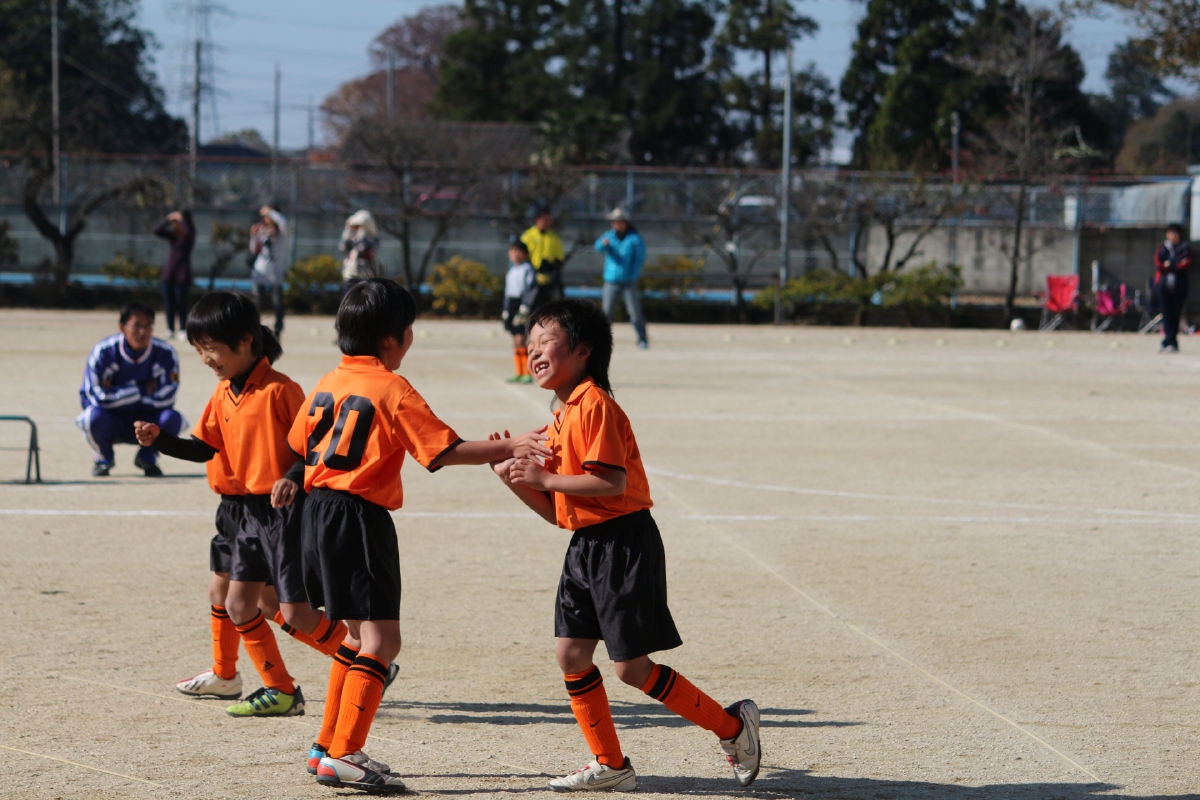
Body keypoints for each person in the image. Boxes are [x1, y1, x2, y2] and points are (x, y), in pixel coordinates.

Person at [488, 299, 760, 792]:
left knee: (631, 668)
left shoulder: (595, 405)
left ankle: (733, 727)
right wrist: (515, 481)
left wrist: (544, 476)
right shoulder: (562, 415)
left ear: (583, 350)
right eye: (531, 345)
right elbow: (557, 513)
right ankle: (610, 764)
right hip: (586, 547)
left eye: (546, 342)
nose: (534, 352)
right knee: (571, 654)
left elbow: (611, 482)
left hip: (623, 543)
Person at [289, 278, 548, 792]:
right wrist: (509, 446)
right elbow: (442, 451)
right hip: (359, 517)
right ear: (393, 338)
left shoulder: (328, 381)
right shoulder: (391, 387)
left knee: (357, 637)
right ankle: (343, 753)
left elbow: (300, 442)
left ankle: (326, 747)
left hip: (316, 512)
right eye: (409, 331)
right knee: (383, 640)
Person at [136, 292, 388, 717]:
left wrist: (292, 477)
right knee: (237, 602)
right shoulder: (223, 393)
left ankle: (369, 662)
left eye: (211, 348)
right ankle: (278, 689)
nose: (206, 359)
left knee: (293, 612)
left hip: (281, 514)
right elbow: (203, 448)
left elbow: (315, 445)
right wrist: (160, 440)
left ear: (245, 340)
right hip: (244, 513)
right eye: (199, 350)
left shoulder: (281, 390)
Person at [76, 301, 184, 478]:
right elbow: (94, 396)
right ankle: (103, 458)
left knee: (173, 418)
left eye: (148, 326)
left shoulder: (166, 353)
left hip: (147, 422)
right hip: (112, 420)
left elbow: (168, 396)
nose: (143, 332)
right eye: (137, 326)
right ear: (122, 327)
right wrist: (142, 389)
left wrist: (116, 392)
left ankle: (147, 457)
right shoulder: (103, 352)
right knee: (92, 417)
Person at [596, 208, 649, 349]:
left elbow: (639, 259)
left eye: (618, 221)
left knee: (634, 313)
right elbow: (598, 247)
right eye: (613, 221)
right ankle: (602, 341)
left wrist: (632, 275)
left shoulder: (635, 239)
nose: (615, 224)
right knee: (606, 313)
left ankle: (642, 338)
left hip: (628, 282)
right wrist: (603, 245)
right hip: (611, 281)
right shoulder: (609, 236)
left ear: (625, 222)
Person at [154, 210, 196, 338]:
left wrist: (182, 220)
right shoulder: (173, 236)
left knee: (181, 302)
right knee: (169, 303)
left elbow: (189, 232)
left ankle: (183, 328)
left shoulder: (188, 237)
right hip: (169, 274)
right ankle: (170, 328)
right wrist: (168, 220)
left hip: (182, 275)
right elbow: (157, 231)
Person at [502, 239, 537, 384]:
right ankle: (518, 372)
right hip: (512, 304)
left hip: (521, 305)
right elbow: (508, 292)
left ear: (525, 254)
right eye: (512, 251)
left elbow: (531, 289)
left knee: (521, 338)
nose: (514, 254)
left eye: (518, 251)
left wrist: (525, 307)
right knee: (514, 339)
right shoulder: (512, 270)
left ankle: (527, 372)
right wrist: (505, 310)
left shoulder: (527, 269)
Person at [250, 205, 288, 337]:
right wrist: (253, 235)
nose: (267, 218)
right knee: (256, 301)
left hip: (275, 271)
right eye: (265, 216)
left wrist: (271, 211)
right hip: (260, 269)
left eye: (269, 216)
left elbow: (283, 223)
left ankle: (278, 329)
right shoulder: (261, 230)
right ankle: (255, 328)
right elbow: (253, 249)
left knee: (277, 302)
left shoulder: (281, 232)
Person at [1155, 223, 1192, 353]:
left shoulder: (1185, 248)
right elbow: (1159, 264)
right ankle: (1168, 340)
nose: (1173, 236)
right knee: (1166, 314)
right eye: (1170, 233)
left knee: (1175, 314)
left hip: (1179, 287)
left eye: (1175, 233)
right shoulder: (1163, 248)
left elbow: (1185, 264)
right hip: (1164, 286)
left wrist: (1171, 264)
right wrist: (1173, 264)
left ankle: (1171, 341)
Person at [521, 206, 565, 308]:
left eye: (549, 219)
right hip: (531, 276)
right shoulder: (527, 236)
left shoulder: (554, 237)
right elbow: (522, 255)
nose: (548, 222)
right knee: (529, 306)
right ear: (537, 220)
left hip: (548, 278)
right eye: (545, 219)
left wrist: (552, 269)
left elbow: (559, 258)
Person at [339, 209, 380, 295]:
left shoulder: (372, 239)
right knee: (347, 298)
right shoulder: (352, 238)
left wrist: (362, 233)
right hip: (350, 275)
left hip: (365, 276)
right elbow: (343, 248)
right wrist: (348, 231)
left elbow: (362, 248)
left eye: (360, 226)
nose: (358, 228)